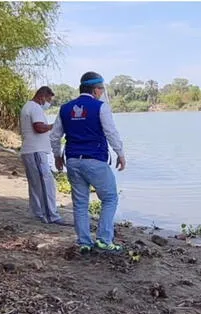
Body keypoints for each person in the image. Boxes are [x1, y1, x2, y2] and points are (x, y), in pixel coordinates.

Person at [49, 71, 127, 254]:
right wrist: (120, 154)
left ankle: (84, 242)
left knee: (80, 203)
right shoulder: (100, 107)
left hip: (73, 161)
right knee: (110, 198)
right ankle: (104, 239)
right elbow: (111, 133)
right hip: (95, 160)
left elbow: (54, 137)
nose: (101, 92)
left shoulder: (65, 108)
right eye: (101, 89)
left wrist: (57, 157)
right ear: (95, 89)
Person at [19, 86, 68, 225]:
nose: (49, 103)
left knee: (36, 184)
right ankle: (51, 215)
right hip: (36, 151)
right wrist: (54, 126)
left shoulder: (28, 106)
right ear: (42, 97)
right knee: (46, 184)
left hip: (31, 151)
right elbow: (39, 127)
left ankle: (37, 213)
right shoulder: (35, 108)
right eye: (49, 99)